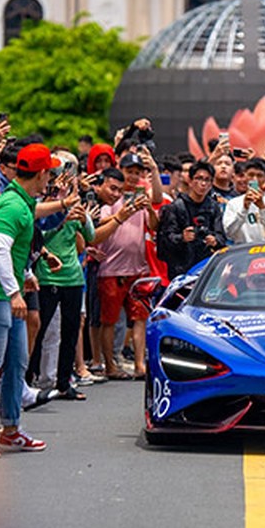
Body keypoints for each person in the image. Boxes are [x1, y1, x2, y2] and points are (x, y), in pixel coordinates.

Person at [0, 143, 58, 458]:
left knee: (16, 364)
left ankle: (11, 429)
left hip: (4, 295)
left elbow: (9, 251)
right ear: (42, 172)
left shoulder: (20, 201)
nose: (51, 178)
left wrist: (25, 276)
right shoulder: (12, 206)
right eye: (50, 172)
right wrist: (14, 291)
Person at [91, 158, 157, 380]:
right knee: (109, 320)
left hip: (138, 269)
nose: (133, 176)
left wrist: (148, 208)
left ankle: (140, 365)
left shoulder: (141, 199)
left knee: (140, 317)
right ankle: (109, 364)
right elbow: (96, 228)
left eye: (138, 172)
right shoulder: (109, 200)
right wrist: (122, 213)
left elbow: (154, 226)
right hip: (111, 270)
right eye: (130, 171)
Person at [27, 196, 94, 399]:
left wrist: (84, 220)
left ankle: (64, 383)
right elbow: (39, 239)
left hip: (73, 277)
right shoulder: (44, 210)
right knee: (39, 329)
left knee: (71, 331)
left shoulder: (76, 208)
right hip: (48, 277)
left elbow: (90, 236)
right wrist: (61, 220)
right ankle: (29, 379)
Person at [157, 160, 225, 279]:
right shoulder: (175, 207)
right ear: (190, 181)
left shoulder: (213, 208)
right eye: (198, 178)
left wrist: (215, 241)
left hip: (206, 268)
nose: (202, 184)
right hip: (181, 269)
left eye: (207, 180)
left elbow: (221, 236)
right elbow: (164, 242)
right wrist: (182, 238)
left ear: (211, 183)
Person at [224, 159, 265, 243]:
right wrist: (244, 209)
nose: (255, 179)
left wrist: (262, 207)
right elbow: (228, 233)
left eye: (259, 176)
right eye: (251, 175)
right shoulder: (233, 203)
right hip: (243, 251)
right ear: (245, 175)